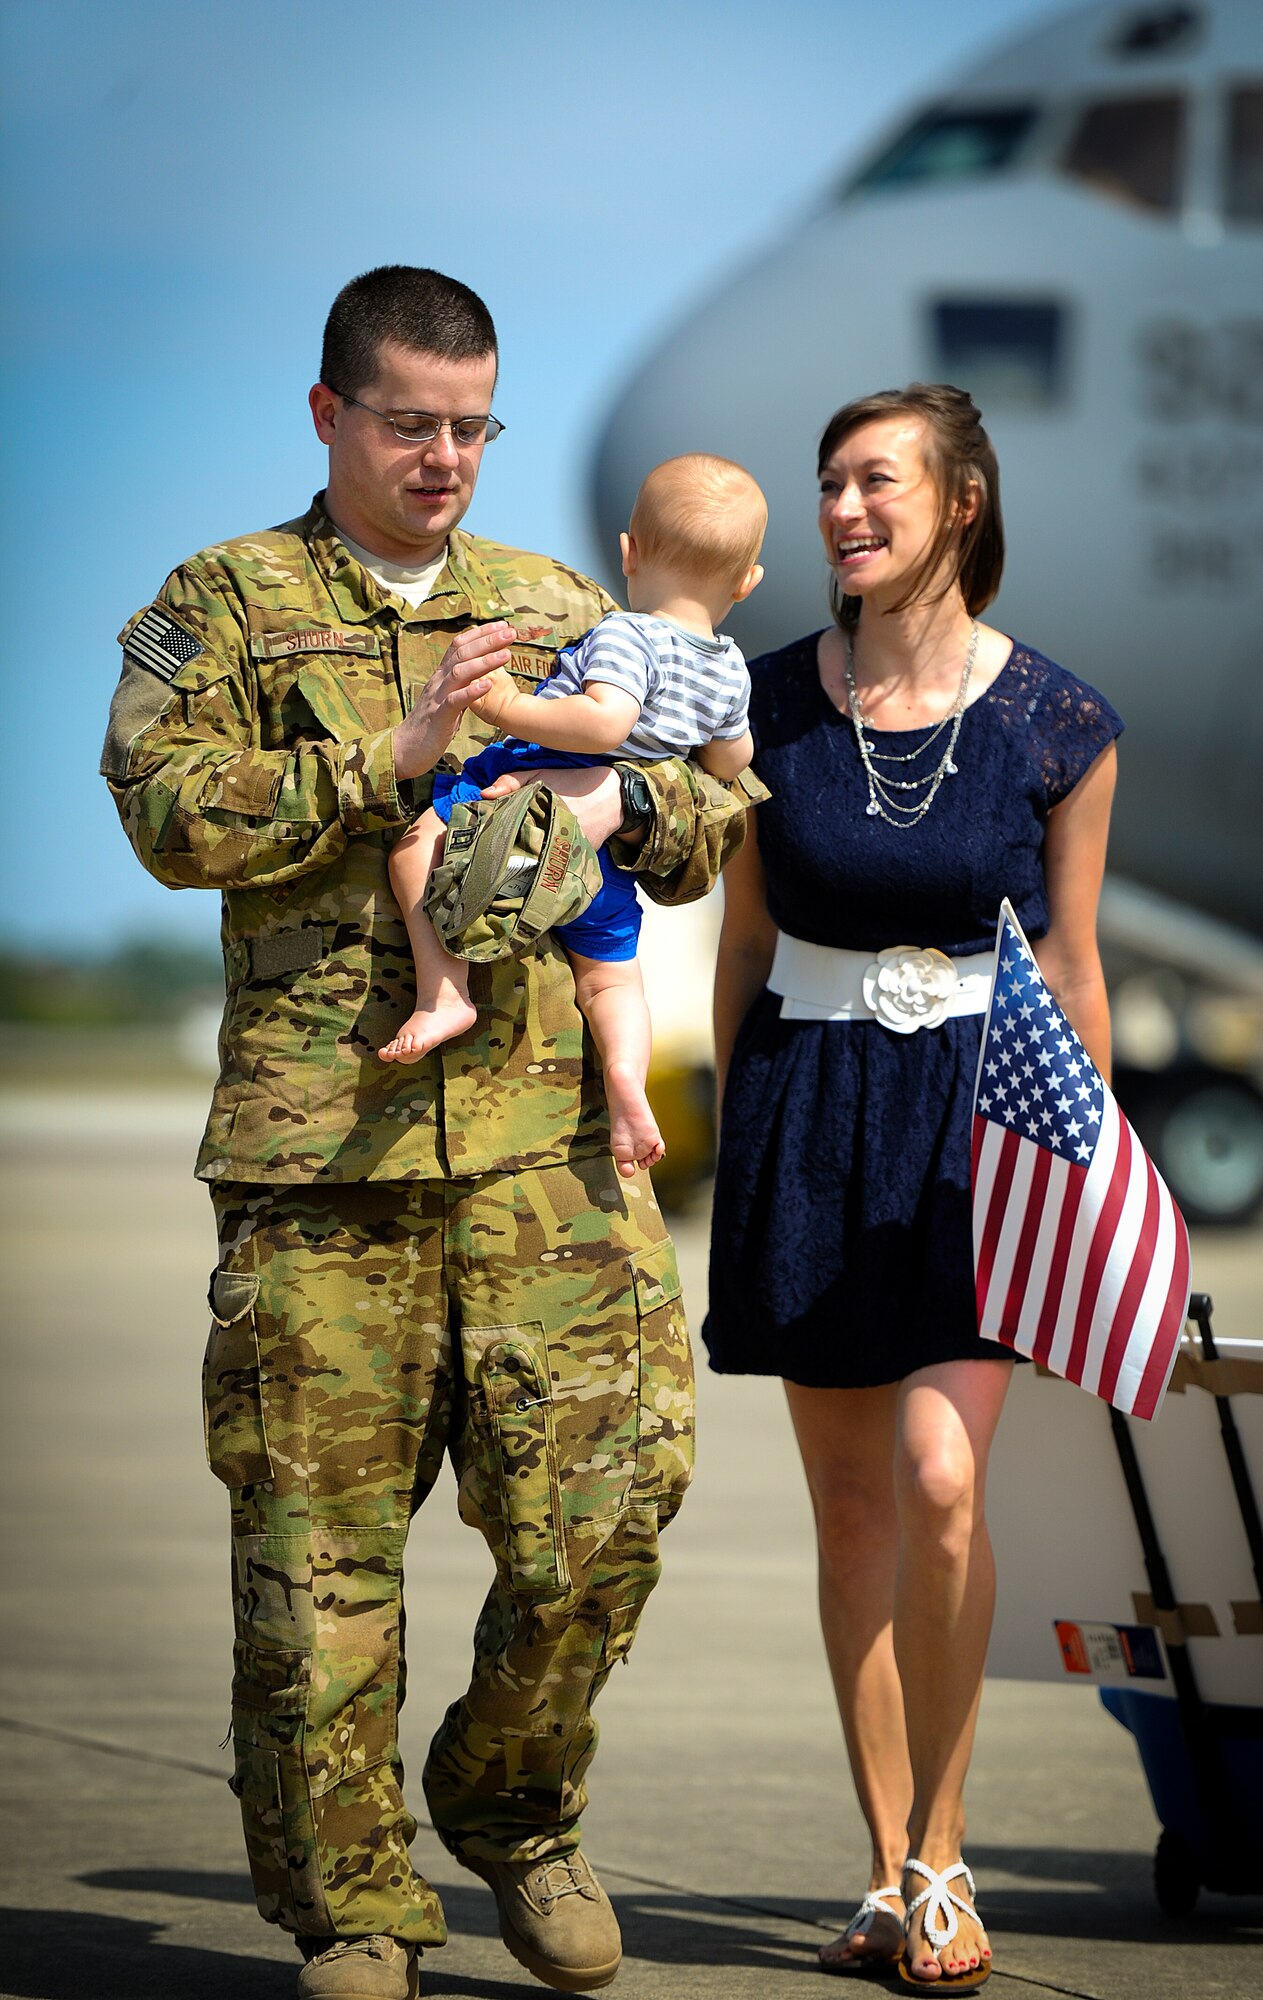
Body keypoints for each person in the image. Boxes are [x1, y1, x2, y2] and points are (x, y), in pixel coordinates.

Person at [102, 264, 757, 2000]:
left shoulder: (555, 605)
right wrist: (385, 756)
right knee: (316, 1573)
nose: (445, 456)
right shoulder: (227, 604)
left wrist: (641, 788)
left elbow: (702, 805)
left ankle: (510, 1800)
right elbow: (166, 810)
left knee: (607, 1514)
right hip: (326, 1171)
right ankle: (356, 1911)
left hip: (548, 1160)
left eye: (473, 426)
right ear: (330, 415)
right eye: (411, 423)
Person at [704, 385, 1121, 1991]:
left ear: (958, 501)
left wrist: (1089, 1176)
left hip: (984, 1122)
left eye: (874, 479)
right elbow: (740, 945)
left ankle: (947, 1852)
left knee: (942, 1484)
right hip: (808, 1107)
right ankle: (884, 1869)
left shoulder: (1060, 721)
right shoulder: (758, 710)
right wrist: (739, 1137)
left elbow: (1072, 968)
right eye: (826, 483)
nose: (839, 507)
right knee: (855, 1511)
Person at [378, 452, 765, 1180]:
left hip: (525, 801)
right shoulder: (730, 666)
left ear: (630, 551)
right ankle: (625, 1079)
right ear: (747, 583)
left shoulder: (625, 633)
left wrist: (501, 705)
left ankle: (444, 991)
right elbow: (731, 759)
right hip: (608, 859)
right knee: (612, 980)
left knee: (414, 846)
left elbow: (602, 722)